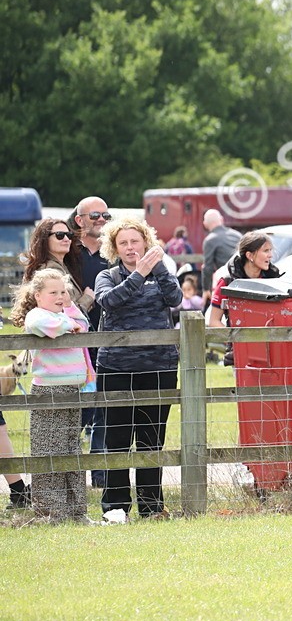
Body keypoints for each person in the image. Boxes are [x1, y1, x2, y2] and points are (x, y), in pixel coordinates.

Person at [94, 218, 183, 521]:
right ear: (114, 248)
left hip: (159, 367)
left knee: (151, 438)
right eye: (124, 243)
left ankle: (151, 506)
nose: (131, 248)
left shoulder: (161, 273)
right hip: (116, 368)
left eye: (136, 241)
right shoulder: (107, 276)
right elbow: (108, 302)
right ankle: (116, 507)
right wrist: (138, 274)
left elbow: (176, 299)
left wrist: (155, 268)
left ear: (146, 242)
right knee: (117, 438)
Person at [9, 269, 92, 523]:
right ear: (38, 295)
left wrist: (70, 313)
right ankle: (50, 512)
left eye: (63, 292)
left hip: (72, 390)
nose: (60, 296)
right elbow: (39, 325)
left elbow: (84, 325)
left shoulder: (64, 313)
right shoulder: (38, 315)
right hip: (49, 391)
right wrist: (69, 324)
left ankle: (77, 511)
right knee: (48, 450)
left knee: (71, 449)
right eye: (53, 292)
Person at [72, 195, 111, 487]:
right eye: (95, 215)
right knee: (76, 410)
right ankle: (70, 474)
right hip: (75, 342)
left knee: (103, 408)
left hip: (108, 339)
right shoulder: (69, 253)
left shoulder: (114, 252)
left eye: (105, 216)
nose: (101, 221)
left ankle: (99, 476)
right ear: (80, 220)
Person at [208, 232, 282, 364]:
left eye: (270, 250)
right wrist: (235, 341)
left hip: (272, 350)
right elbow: (213, 321)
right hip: (239, 353)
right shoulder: (226, 282)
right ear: (249, 255)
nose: (270, 255)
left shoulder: (275, 281)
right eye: (265, 251)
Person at [201, 209, 242, 303]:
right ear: (222, 219)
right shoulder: (237, 235)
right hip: (243, 282)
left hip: (226, 282)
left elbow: (207, 268)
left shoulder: (210, 240)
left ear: (205, 224)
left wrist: (206, 289)